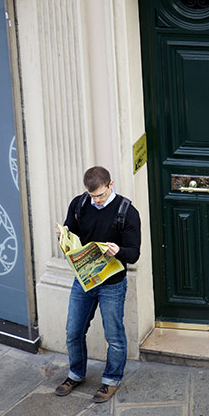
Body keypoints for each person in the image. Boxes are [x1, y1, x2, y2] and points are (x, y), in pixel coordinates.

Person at [55, 166, 141, 403]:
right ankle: (75, 374)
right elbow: (70, 231)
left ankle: (111, 380)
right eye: (93, 195)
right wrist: (63, 236)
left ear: (110, 184)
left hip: (112, 283)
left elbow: (134, 254)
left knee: (113, 335)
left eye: (101, 195)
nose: (97, 200)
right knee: (73, 331)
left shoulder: (127, 212)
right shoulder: (79, 204)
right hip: (84, 280)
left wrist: (119, 251)